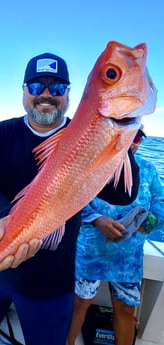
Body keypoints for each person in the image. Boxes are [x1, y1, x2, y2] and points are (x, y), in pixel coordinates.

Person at [0, 52, 140, 345]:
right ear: (24, 92)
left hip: (52, 277)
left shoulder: (90, 133)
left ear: (68, 94)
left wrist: (120, 138)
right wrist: (3, 221)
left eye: (56, 88)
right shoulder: (1, 134)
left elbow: (124, 194)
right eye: (35, 87)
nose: (45, 95)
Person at [67, 127, 164, 345]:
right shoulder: (92, 167)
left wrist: (147, 223)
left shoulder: (148, 170)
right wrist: (97, 219)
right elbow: (70, 202)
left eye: (137, 137)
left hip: (128, 258)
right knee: (80, 302)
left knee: (125, 308)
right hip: (90, 252)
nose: (132, 142)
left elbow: (161, 203)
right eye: (124, 137)